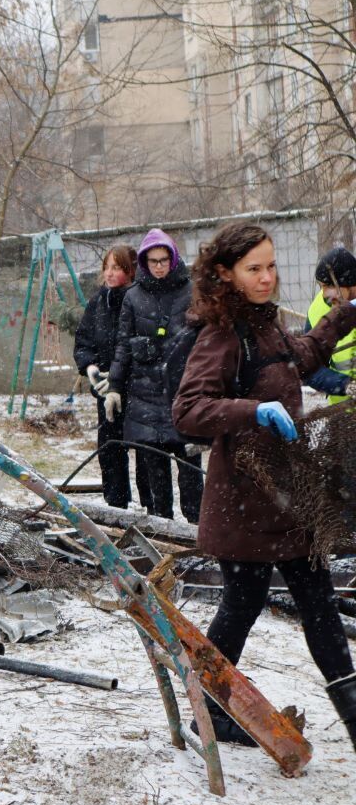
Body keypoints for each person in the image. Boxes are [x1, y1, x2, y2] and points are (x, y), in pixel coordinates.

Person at [173, 220, 356, 749]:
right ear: (225, 275)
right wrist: (255, 410)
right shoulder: (222, 335)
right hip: (245, 501)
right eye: (254, 269)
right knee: (242, 604)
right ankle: (207, 711)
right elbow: (187, 409)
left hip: (289, 498)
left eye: (271, 266)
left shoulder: (266, 326)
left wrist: (345, 316)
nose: (266, 277)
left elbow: (301, 357)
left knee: (318, 604)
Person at [106, 228, 204, 522]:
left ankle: (196, 531)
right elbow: (123, 344)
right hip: (145, 397)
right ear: (145, 263)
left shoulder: (190, 292)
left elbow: (205, 341)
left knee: (190, 475)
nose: (159, 266)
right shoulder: (133, 297)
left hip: (183, 395)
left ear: (173, 259)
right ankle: (162, 534)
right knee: (156, 477)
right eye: (153, 261)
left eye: (163, 260)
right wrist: (114, 386)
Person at [74, 245, 152, 510]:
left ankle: (152, 512)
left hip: (140, 392)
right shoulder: (98, 302)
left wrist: (124, 377)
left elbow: (141, 347)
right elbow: (83, 342)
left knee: (146, 455)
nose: (109, 273)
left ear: (131, 270)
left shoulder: (142, 300)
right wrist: (91, 369)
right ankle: (117, 509)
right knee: (110, 451)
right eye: (106, 267)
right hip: (106, 393)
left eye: (116, 267)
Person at [304, 246, 356, 404]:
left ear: (350, 283)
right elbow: (309, 368)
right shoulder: (316, 310)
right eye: (321, 286)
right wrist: (346, 385)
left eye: (329, 286)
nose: (324, 294)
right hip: (344, 412)